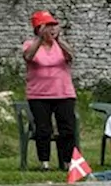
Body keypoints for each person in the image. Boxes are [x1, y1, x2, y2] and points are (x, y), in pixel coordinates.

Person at [22, 10, 76, 171]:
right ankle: (44, 162)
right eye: (47, 26)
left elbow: (71, 56)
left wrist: (59, 41)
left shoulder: (60, 45)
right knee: (43, 129)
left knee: (67, 129)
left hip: (63, 93)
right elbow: (28, 57)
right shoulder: (29, 44)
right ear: (38, 28)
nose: (52, 29)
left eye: (54, 25)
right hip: (39, 95)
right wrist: (39, 38)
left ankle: (67, 162)